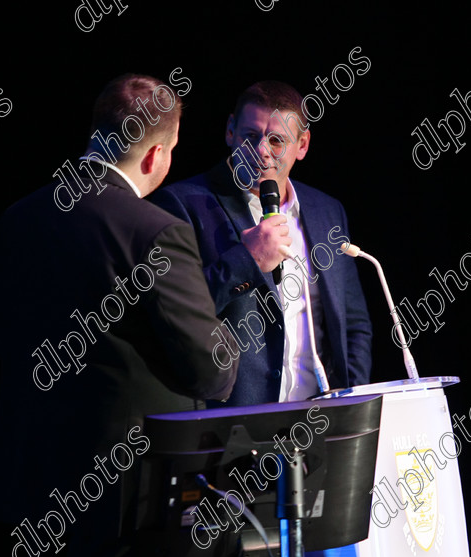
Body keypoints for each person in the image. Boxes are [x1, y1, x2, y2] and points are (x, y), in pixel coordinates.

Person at [0, 73, 239, 557]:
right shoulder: (155, 231)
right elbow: (210, 371)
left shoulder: (18, 217)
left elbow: (2, 336)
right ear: (154, 156)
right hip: (121, 497)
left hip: (30, 484)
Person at [149, 80, 372, 408]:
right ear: (230, 132)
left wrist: (350, 401)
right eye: (250, 136)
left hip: (321, 420)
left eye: (276, 140)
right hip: (235, 425)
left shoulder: (328, 211)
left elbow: (354, 324)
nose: (261, 150)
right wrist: (246, 260)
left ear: (302, 144)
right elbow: (173, 317)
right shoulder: (183, 205)